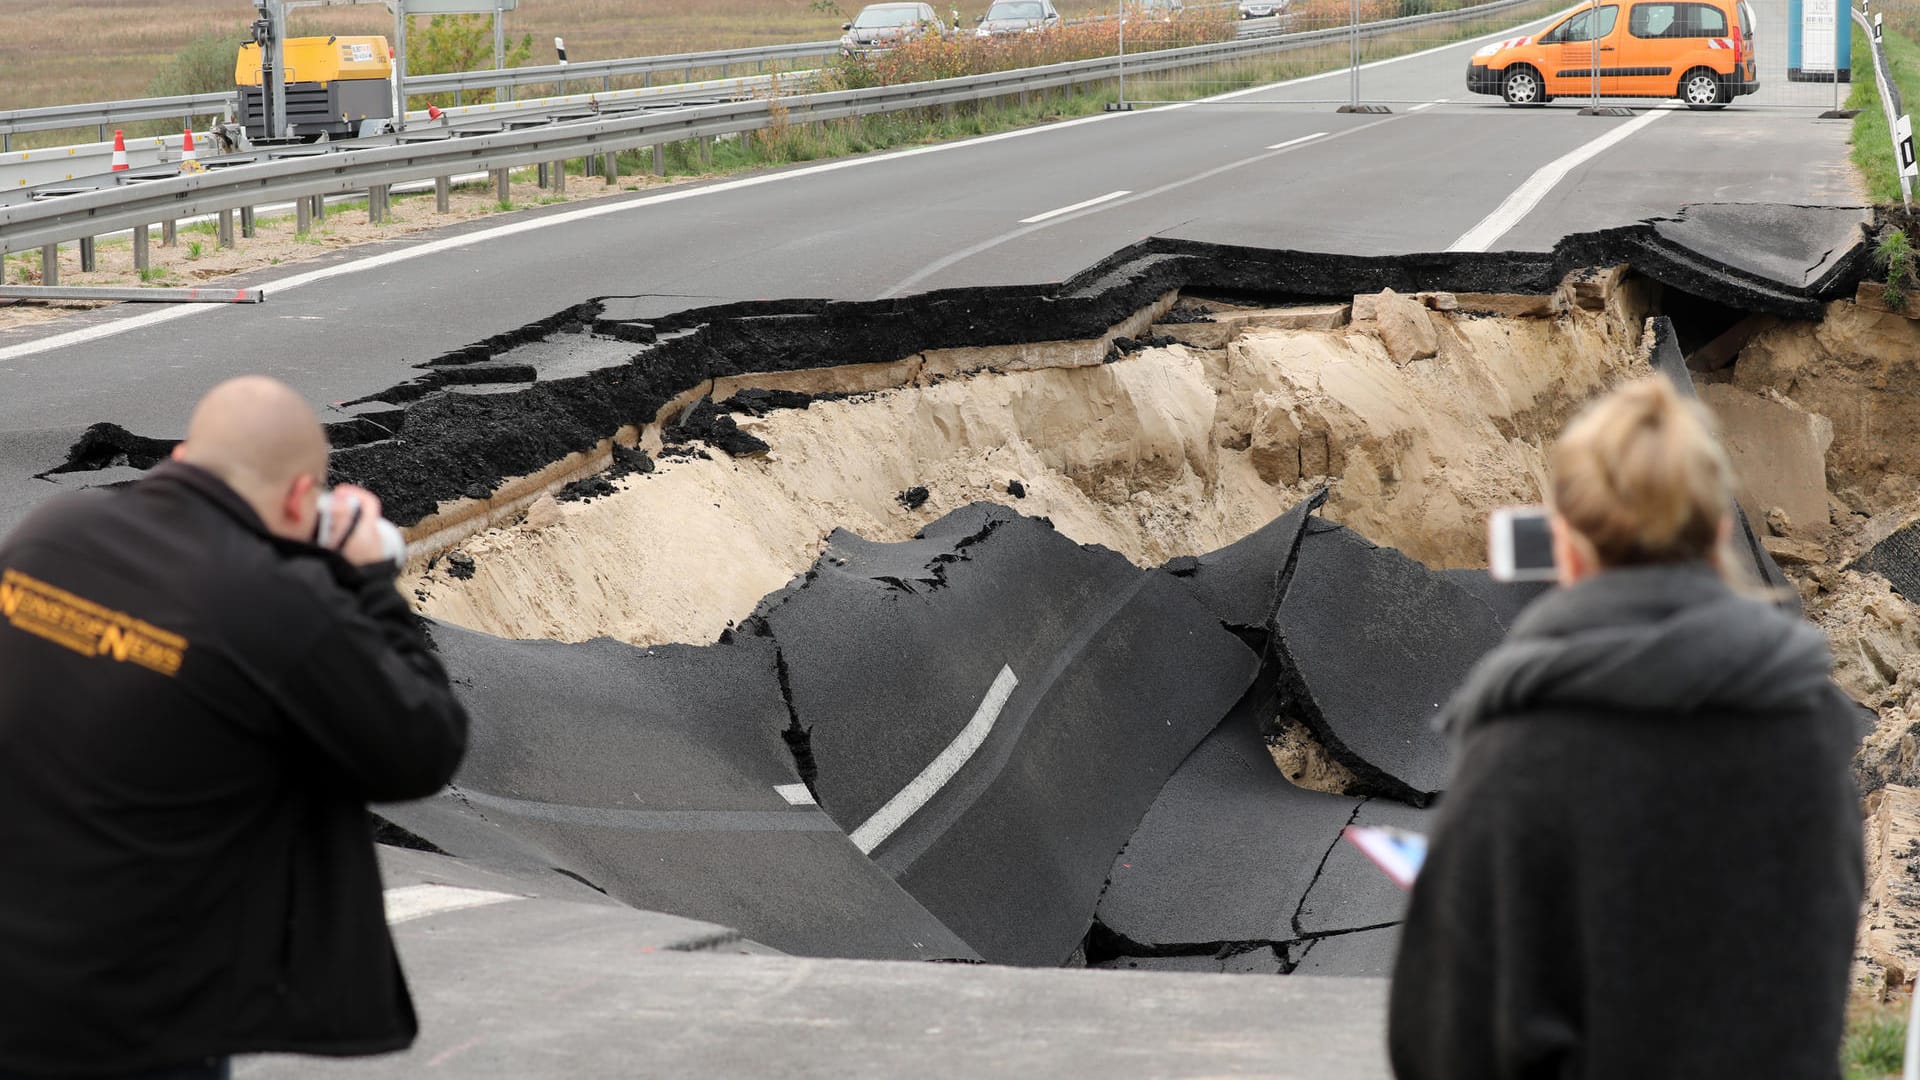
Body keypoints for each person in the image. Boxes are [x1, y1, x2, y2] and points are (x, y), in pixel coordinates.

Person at [1388, 375, 1864, 1079]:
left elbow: (1442, 1043)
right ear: (1722, 536)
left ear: (1568, 549)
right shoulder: (1810, 725)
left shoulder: (1517, 753)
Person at [0, 377, 469, 1079]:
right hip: (134, 1014)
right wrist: (366, 580)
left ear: (187, 455)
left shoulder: (49, 533)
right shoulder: (275, 603)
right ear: (296, 501)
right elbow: (423, 748)